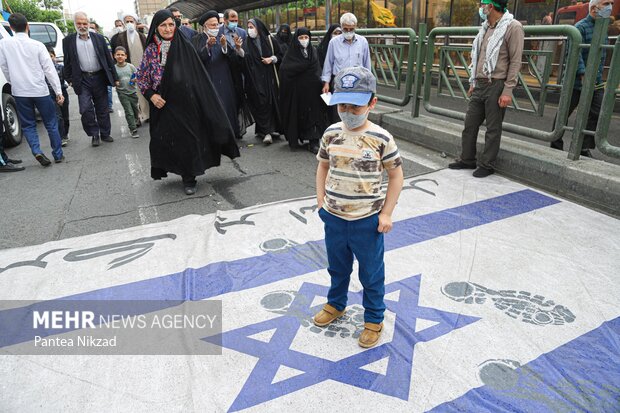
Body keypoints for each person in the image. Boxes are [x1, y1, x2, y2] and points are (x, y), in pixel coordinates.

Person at [314, 66, 404, 349]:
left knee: (371, 272)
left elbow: (396, 175)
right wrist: (321, 202)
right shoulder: (331, 134)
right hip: (334, 218)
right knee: (337, 267)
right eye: (343, 105)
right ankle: (336, 304)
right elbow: (323, 166)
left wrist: (386, 212)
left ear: (372, 103)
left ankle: (374, 318)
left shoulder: (381, 138)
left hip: (367, 221)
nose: (348, 111)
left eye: (356, 106)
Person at [136, 9, 239, 195]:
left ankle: (189, 176)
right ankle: (173, 168)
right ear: (156, 28)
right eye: (163, 25)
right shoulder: (151, 50)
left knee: (188, 139)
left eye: (170, 24)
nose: (168, 29)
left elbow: (197, 74)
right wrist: (152, 95)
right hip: (163, 104)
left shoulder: (185, 45)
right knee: (168, 140)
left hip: (186, 102)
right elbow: (142, 78)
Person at [448, 0, 524, 178]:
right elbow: (479, 57)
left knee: (493, 128)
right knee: (470, 124)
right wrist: (473, 82)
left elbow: (515, 61)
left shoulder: (513, 27)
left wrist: (508, 90)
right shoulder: (485, 28)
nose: (480, 8)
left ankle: (487, 164)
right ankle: (467, 159)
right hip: (480, 83)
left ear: (491, 7)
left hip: (497, 83)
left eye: (483, 4)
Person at [550, 0, 614, 157]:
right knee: (564, 113)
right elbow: (574, 54)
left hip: (596, 81)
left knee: (597, 113)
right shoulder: (580, 27)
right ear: (594, 8)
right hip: (576, 82)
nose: (610, 7)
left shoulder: (602, 27)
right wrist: (583, 74)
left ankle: (583, 147)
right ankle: (555, 143)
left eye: (611, 3)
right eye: (606, 3)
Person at [0, 13, 65, 167]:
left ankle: (36, 150)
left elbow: (4, 67)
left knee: (28, 125)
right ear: (27, 26)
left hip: (20, 92)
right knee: (51, 123)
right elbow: (49, 70)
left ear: (12, 28)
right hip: (40, 90)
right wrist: (58, 92)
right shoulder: (37, 45)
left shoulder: (4, 44)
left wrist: (13, 82)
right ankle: (57, 154)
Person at [64, 11, 119, 147]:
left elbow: (108, 59)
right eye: (79, 23)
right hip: (82, 80)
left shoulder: (99, 38)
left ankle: (105, 134)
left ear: (88, 24)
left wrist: (115, 77)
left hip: (99, 77)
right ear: (75, 24)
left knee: (103, 108)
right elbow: (67, 62)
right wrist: (70, 79)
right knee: (85, 109)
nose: (82, 26)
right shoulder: (68, 41)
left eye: (85, 23)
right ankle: (94, 134)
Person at [192, 10, 243, 139]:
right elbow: (197, 59)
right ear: (205, 26)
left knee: (228, 106)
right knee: (212, 109)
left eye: (217, 24)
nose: (216, 27)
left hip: (224, 79)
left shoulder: (222, 37)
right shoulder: (197, 40)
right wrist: (208, 47)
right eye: (213, 25)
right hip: (208, 81)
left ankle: (230, 136)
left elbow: (232, 58)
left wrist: (226, 47)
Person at [279, 28, 327, 154]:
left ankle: (313, 141)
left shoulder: (313, 51)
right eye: (301, 38)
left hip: (313, 91)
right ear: (296, 39)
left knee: (314, 115)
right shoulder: (291, 53)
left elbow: (317, 69)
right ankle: (297, 137)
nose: (304, 40)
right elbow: (285, 69)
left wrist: (322, 83)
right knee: (297, 114)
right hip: (297, 92)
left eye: (306, 37)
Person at [321, 13, 371, 124]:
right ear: (341, 27)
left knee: (357, 110)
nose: (348, 31)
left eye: (351, 29)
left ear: (356, 27)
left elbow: (367, 65)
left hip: (358, 82)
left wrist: (369, 83)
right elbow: (328, 63)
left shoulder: (363, 42)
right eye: (345, 29)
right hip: (339, 81)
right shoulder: (334, 42)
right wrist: (326, 82)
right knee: (339, 110)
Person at [242, 18, 283, 144]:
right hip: (254, 79)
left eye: (252, 27)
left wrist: (271, 59)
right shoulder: (246, 42)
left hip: (269, 78)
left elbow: (280, 55)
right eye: (248, 27)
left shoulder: (270, 40)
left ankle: (269, 130)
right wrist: (239, 49)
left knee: (270, 102)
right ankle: (266, 131)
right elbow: (243, 58)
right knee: (260, 102)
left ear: (258, 28)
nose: (250, 30)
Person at [111, 13, 149, 123]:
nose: (129, 24)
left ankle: (146, 115)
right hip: (127, 72)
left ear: (136, 23)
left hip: (142, 70)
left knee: (143, 93)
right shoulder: (118, 37)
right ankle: (135, 118)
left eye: (131, 21)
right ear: (123, 23)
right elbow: (116, 55)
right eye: (127, 21)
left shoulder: (142, 37)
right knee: (131, 95)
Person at [220, 9, 252, 138]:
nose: (234, 22)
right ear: (225, 20)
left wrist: (239, 49)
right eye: (231, 20)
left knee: (239, 98)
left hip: (239, 72)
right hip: (224, 70)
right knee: (227, 99)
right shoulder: (219, 33)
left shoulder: (242, 33)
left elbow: (245, 54)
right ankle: (229, 128)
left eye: (236, 20)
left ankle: (237, 128)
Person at [114, 46, 140, 138]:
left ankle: (136, 120)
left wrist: (135, 79)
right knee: (129, 112)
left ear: (126, 56)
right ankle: (133, 129)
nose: (120, 56)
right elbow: (112, 80)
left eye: (122, 55)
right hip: (122, 93)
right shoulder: (114, 68)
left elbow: (137, 76)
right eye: (118, 55)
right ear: (114, 56)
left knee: (135, 110)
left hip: (133, 92)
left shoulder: (131, 66)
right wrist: (114, 82)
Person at [47, 47, 70, 147]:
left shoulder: (60, 68)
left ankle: (65, 133)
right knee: (58, 116)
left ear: (55, 56)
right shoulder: (42, 70)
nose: (49, 58)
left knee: (65, 116)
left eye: (51, 56)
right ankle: (61, 136)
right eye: (47, 57)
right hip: (50, 95)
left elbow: (68, 78)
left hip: (62, 93)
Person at [90, 21, 115, 114]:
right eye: (90, 27)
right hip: (92, 72)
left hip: (104, 69)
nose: (91, 29)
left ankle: (109, 106)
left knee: (108, 89)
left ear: (96, 29)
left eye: (93, 27)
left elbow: (109, 54)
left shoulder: (102, 39)